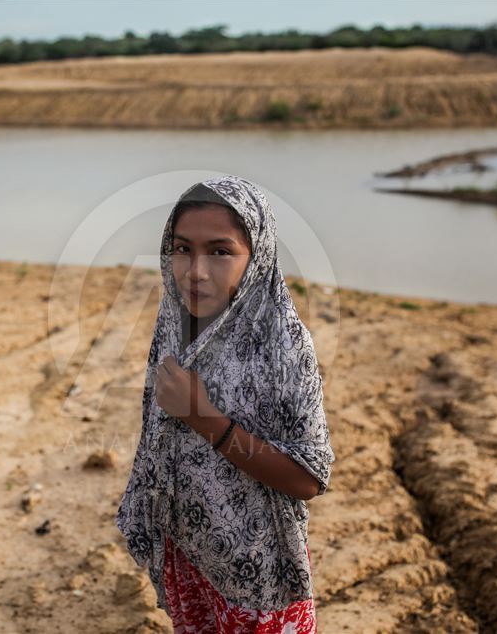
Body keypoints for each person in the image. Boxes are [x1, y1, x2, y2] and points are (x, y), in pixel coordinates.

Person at [115, 175, 335, 633]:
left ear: (258, 257)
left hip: (256, 575)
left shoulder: (283, 345)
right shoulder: (175, 326)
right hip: (191, 550)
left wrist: (204, 418)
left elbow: (308, 479)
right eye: (181, 249)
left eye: (220, 251)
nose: (195, 270)